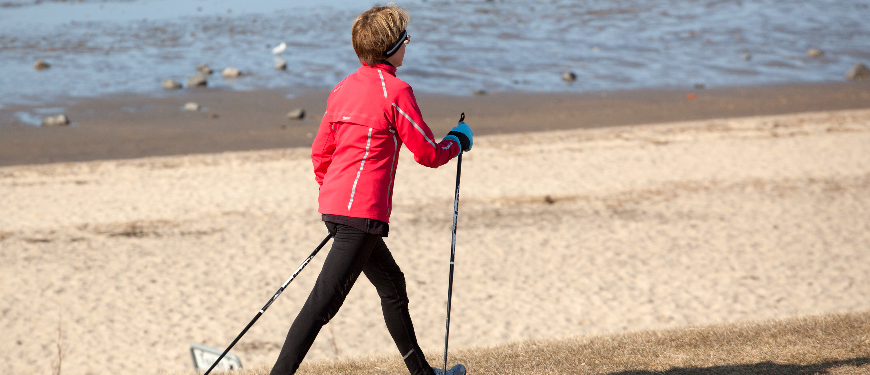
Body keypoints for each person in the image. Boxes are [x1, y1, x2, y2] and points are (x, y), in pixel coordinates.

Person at [269, 4, 473, 375]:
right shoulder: (396, 91)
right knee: (320, 307)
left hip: (337, 209)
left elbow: (321, 154)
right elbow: (427, 153)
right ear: (392, 47)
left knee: (392, 284)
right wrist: (457, 141)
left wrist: (334, 198)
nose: (408, 45)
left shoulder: (342, 87)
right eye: (406, 39)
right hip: (359, 217)